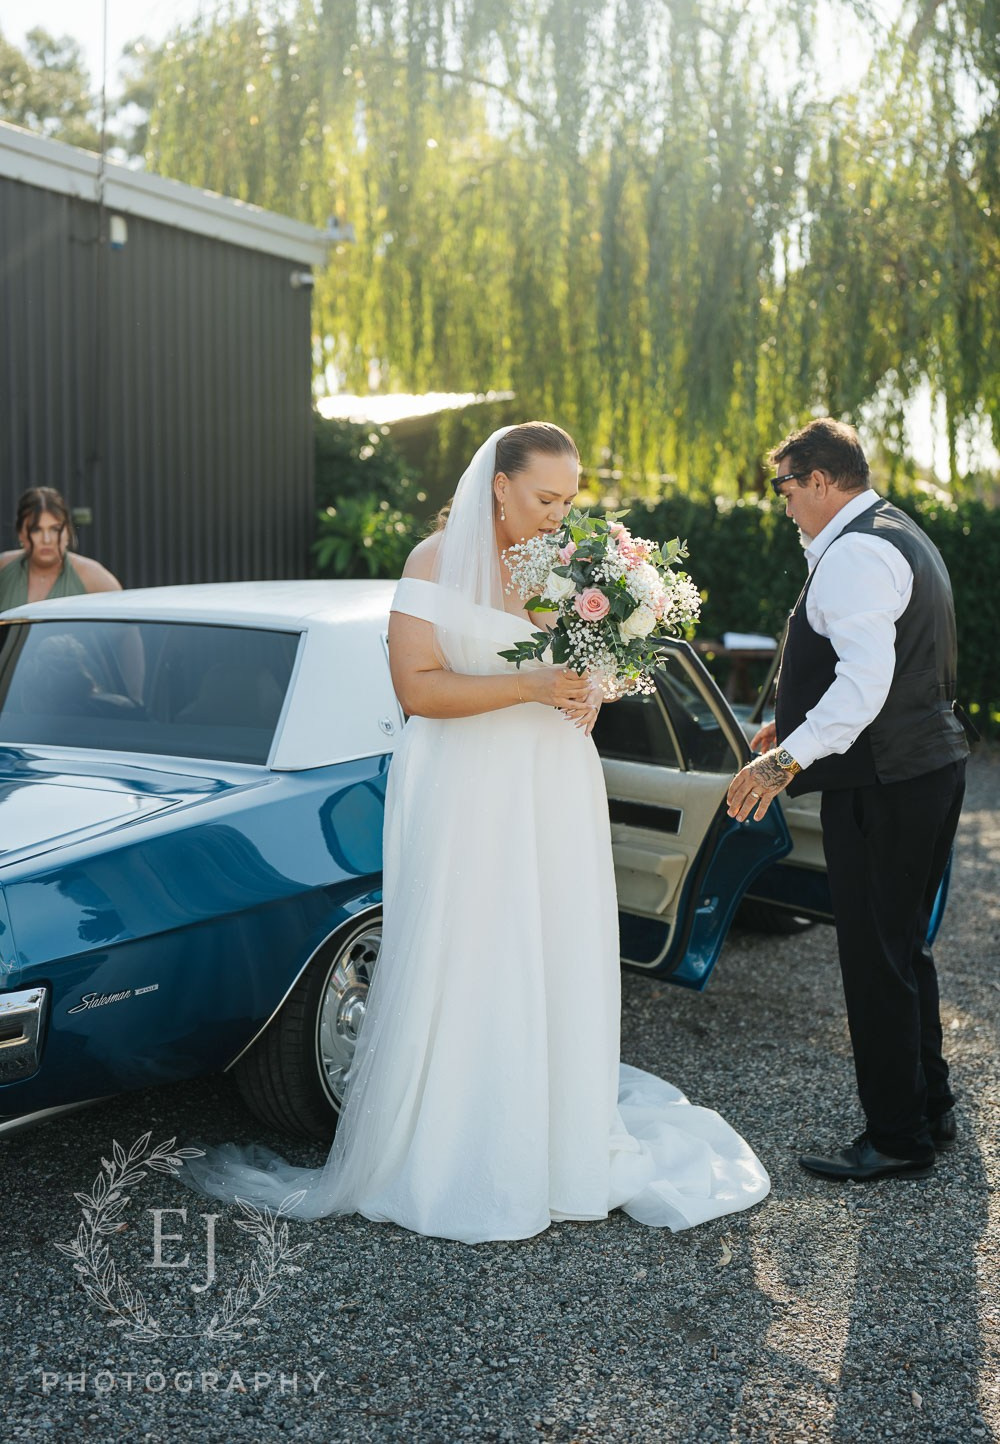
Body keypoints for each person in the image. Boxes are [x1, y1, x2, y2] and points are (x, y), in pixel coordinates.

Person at [182, 422, 769, 1242]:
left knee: (551, 940)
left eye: (570, 499)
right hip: (464, 783)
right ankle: (456, 1146)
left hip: (553, 779)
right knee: (472, 941)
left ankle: (555, 1139)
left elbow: (588, 667)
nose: (560, 515)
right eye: (545, 497)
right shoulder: (431, 566)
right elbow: (418, 689)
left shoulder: (574, 569)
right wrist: (530, 681)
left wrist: (591, 692)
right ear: (499, 485)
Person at [726, 418, 969, 1183]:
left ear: (823, 480)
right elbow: (873, 672)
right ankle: (929, 1104)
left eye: (786, 487)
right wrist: (789, 725)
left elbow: (863, 686)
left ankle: (897, 1138)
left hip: (884, 783)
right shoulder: (894, 532)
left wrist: (780, 765)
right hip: (922, 769)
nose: (784, 504)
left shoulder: (855, 553)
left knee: (873, 955)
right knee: (903, 948)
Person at [0, 487, 121, 611]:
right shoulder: (3, 568)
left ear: (68, 531)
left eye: (55, 529)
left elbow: (126, 624)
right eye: (36, 530)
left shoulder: (92, 576)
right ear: (21, 533)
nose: (46, 540)